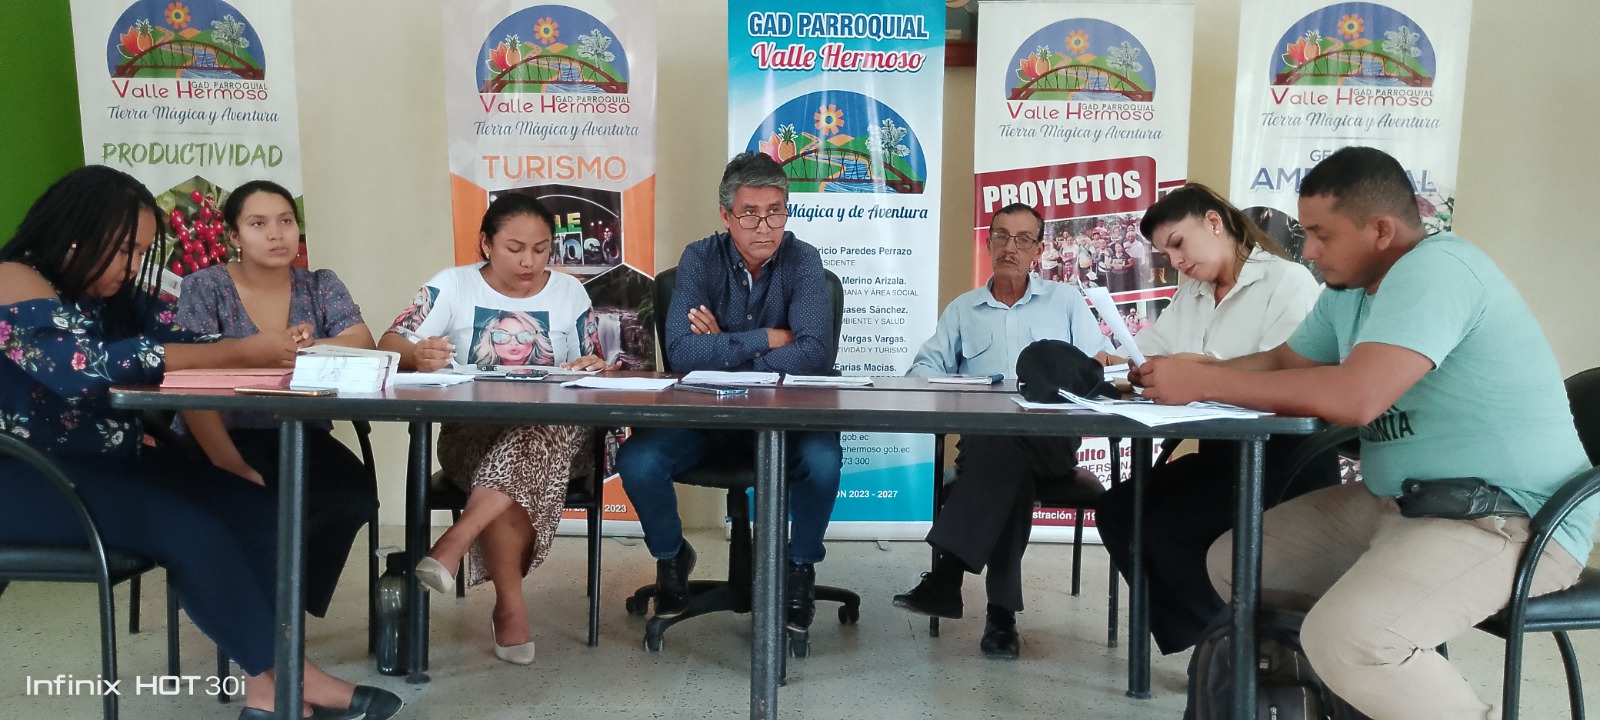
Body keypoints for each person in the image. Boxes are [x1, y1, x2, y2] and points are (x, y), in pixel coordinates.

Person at [1137, 147, 1596, 719]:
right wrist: (1200, 372)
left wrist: (1204, 383)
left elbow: (1357, 398)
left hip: (1510, 517)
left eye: (1322, 234)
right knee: (1239, 564)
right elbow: (1285, 363)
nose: (1308, 250)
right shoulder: (1349, 290)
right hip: (1400, 502)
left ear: (1381, 230)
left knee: (1353, 641)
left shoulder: (1438, 270)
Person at [0, 166, 401, 720]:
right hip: (27, 477)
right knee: (190, 528)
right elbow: (83, 369)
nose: (133, 266)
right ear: (75, 235)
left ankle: (267, 692)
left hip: (108, 465)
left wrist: (259, 346)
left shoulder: (107, 294)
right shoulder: (13, 277)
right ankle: (295, 677)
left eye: (142, 253)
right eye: (125, 251)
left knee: (256, 509)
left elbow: (185, 337)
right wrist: (239, 352)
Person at [1091, 182, 1333, 656]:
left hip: (1282, 457)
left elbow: (1291, 373)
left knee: (1167, 529)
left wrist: (1200, 371)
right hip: (1223, 454)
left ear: (1214, 222)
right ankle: (1207, 639)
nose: (1175, 260)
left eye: (1178, 243)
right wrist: (1117, 364)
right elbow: (1151, 353)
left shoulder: (1286, 282)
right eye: (1165, 253)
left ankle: (1229, 649)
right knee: (1118, 510)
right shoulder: (1194, 294)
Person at [615, 152, 842, 632]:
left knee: (824, 460)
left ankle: (799, 566)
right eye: (750, 214)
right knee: (638, 460)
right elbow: (682, 353)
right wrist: (770, 337)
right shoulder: (699, 259)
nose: (765, 226)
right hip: (706, 418)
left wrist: (723, 348)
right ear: (726, 215)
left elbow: (815, 354)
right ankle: (672, 556)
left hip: (786, 419)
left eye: (775, 212)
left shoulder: (803, 259)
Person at [380, 193, 610, 666]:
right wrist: (416, 354)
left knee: (532, 437)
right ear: (486, 243)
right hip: (472, 435)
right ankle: (507, 604)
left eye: (541, 249)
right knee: (511, 465)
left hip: (562, 438)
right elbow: (390, 342)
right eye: (515, 248)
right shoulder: (454, 285)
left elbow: (595, 364)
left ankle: (456, 542)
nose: (529, 262)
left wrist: (592, 365)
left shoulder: (570, 292)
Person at [891, 202, 1113, 659]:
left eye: (1023, 239)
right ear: (989, 242)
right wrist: (942, 381)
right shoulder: (963, 310)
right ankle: (1000, 616)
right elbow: (922, 370)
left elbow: (1097, 366)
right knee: (1006, 461)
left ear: (1039, 249)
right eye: (1001, 236)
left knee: (1003, 451)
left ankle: (947, 577)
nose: (1010, 247)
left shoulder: (1066, 301)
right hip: (986, 442)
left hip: (1052, 441)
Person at [173, 180, 379, 621]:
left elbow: (361, 340)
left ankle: (284, 606)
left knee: (354, 495)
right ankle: (256, 611)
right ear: (233, 235)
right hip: (219, 435)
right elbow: (189, 380)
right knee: (256, 505)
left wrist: (309, 345)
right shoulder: (204, 287)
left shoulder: (320, 284)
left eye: (286, 221)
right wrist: (227, 461)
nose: (276, 233)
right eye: (258, 223)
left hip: (298, 432)